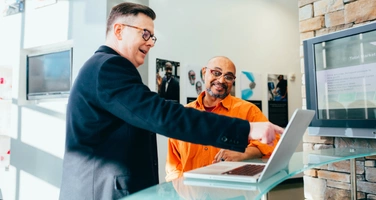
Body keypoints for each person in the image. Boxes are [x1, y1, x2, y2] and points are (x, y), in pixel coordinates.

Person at [59, 3, 283, 200]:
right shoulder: (109, 68)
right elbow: (162, 115)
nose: (150, 43)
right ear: (119, 30)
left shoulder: (104, 68)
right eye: (145, 34)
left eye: (152, 36)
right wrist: (247, 129)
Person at [165, 56, 281, 181]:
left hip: (233, 193)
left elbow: (274, 142)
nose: (221, 80)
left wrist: (244, 152)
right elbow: (173, 165)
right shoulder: (184, 114)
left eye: (228, 77)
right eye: (216, 73)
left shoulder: (248, 110)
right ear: (204, 73)